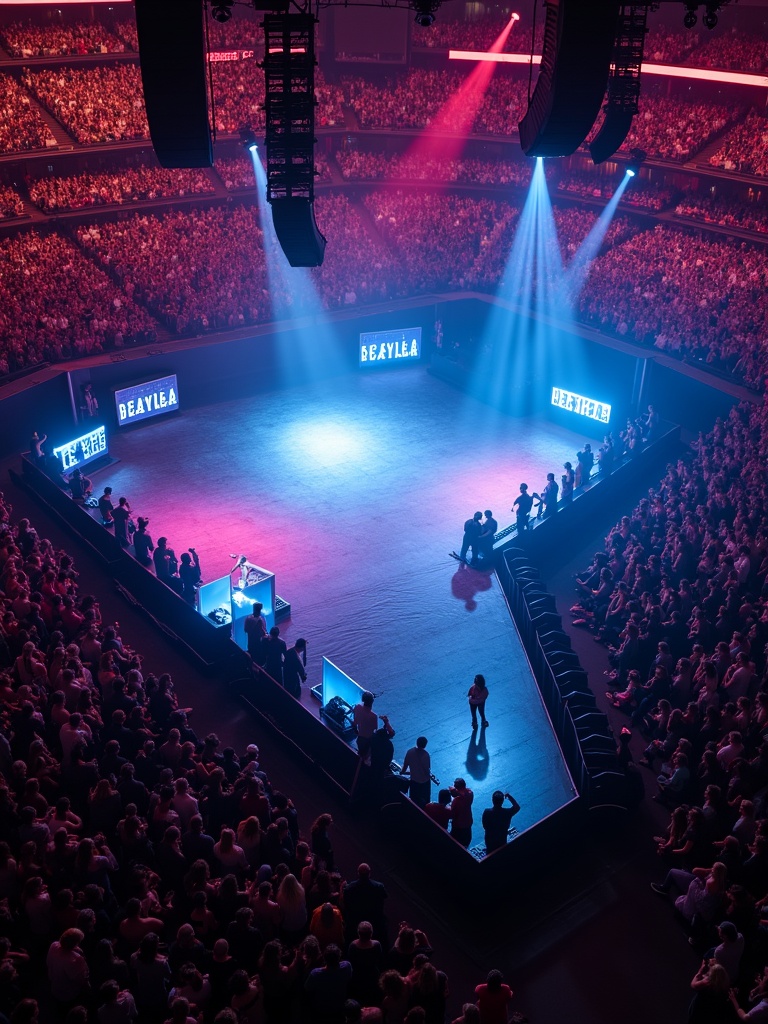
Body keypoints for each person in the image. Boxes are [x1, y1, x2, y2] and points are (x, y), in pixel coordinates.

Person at [400, 736, 431, 808]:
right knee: (426, 802)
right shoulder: (426, 755)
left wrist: (402, 772)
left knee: (413, 801)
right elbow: (427, 770)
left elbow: (405, 766)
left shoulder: (410, 752)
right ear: (425, 745)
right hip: (424, 783)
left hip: (414, 781)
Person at [353, 691, 378, 762]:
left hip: (360, 738)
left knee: (360, 755)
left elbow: (354, 723)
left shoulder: (358, 707)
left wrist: (357, 731)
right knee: (365, 759)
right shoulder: (373, 716)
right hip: (368, 741)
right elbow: (375, 730)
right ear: (372, 701)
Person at [448, 778, 474, 848]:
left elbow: (452, 815)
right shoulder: (470, 793)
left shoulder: (456, 801)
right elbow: (463, 794)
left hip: (458, 825)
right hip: (468, 822)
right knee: (466, 841)